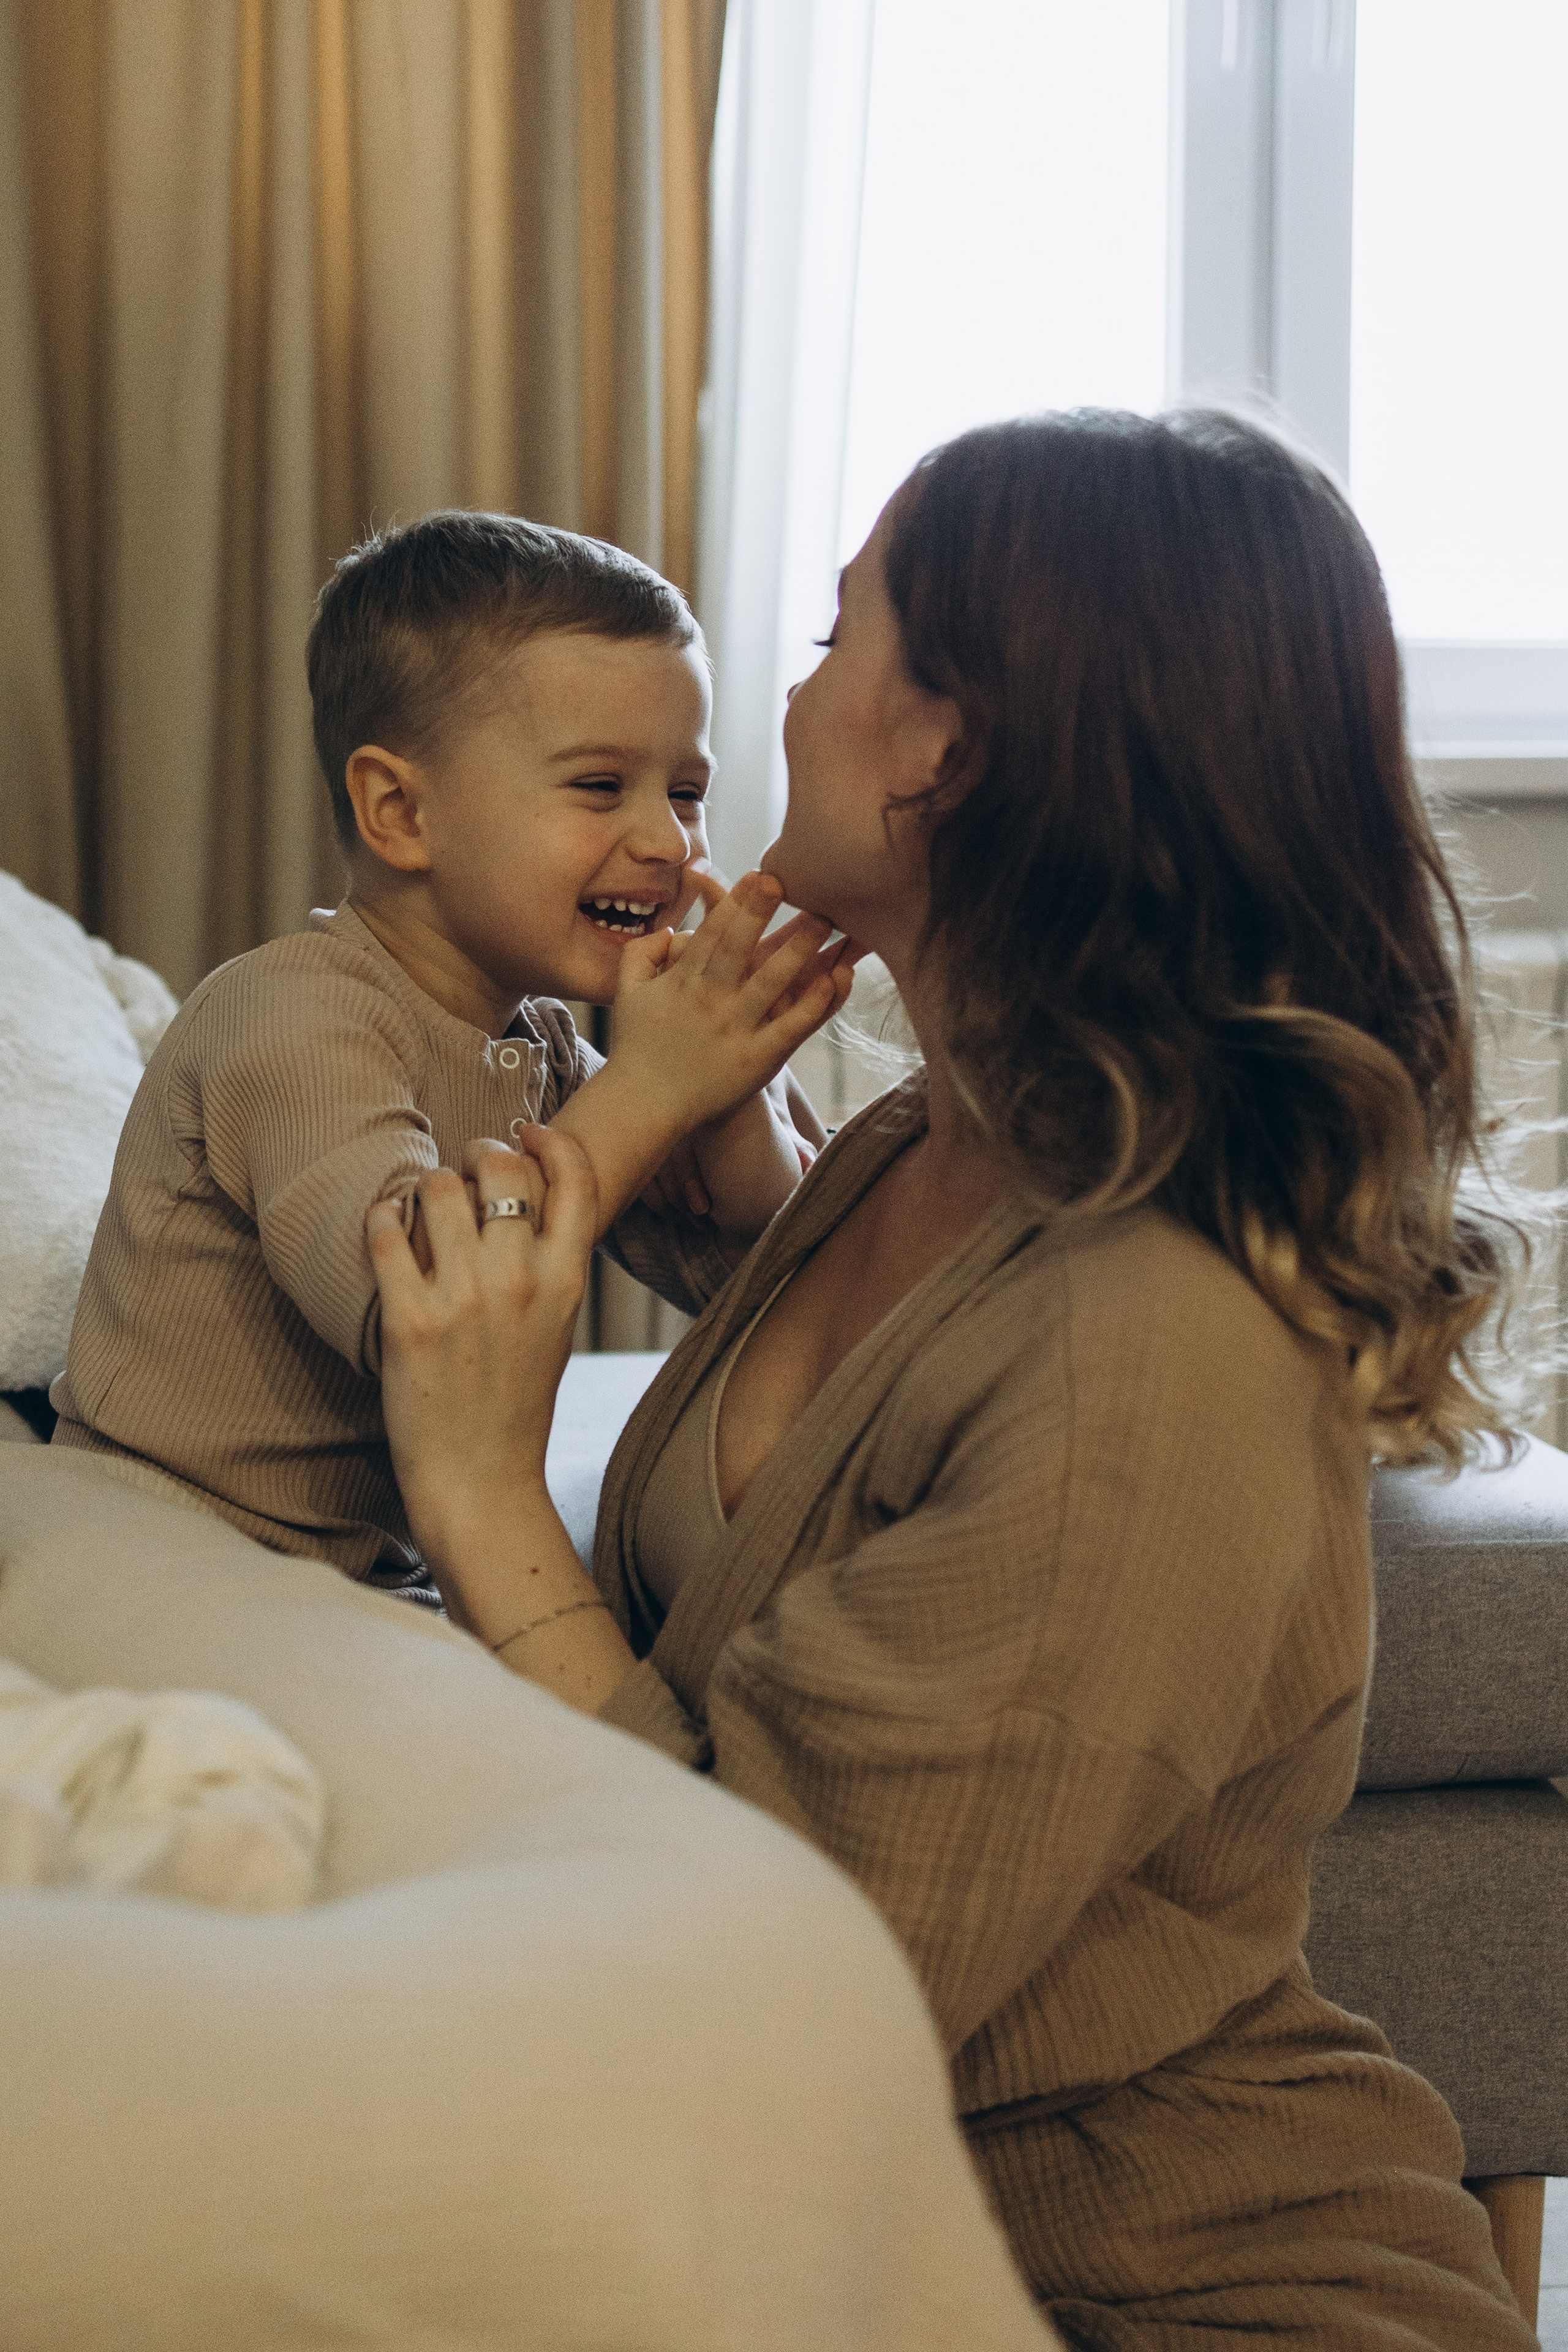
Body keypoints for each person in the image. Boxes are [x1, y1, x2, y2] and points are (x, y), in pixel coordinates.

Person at [364, 413, 1536, 2347]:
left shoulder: (1147, 1359)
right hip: (842, 2233)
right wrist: (700, 1146)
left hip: (1141, 2287)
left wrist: (486, 1502)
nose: (794, 696)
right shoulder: (950, 1137)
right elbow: (847, 1436)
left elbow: (778, 1986)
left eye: (837, 643)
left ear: (949, 744)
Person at [51, 513, 853, 1587]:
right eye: (600, 786)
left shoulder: (540, 1048)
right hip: (159, 1547)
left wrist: (728, 1103)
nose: (669, 841)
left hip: (364, 1573)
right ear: (400, 812)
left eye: (687, 791)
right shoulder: (288, 1017)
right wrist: (655, 1087)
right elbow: (425, 1317)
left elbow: (740, 1290)